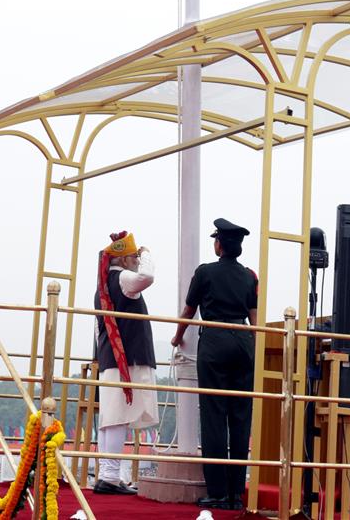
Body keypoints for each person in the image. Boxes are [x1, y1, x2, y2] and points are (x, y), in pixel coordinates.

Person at [171, 218, 257, 511]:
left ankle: (219, 493)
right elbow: (253, 318)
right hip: (244, 342)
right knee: (241, 416)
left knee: (214, 414)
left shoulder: (205, 273)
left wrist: (177, 337)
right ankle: (237, 493)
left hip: (216, 341)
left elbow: (189, 310)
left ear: (219, 245)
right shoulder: (249, 277)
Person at [93, 230, 158, 495]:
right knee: (116, 417)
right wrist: (147, 255)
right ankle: (109, 476)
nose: (136, 259)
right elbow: (147, 277)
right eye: (133, 256)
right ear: (125, 259)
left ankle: (108, 474)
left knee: (111, 417)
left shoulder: (103, 284)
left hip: (111, 355)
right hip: (126, 356)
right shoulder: (121, 279)